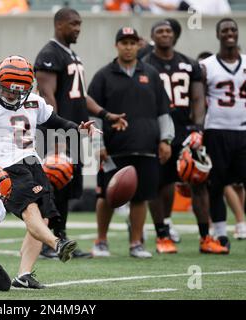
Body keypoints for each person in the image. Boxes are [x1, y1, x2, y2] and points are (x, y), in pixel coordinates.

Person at [0, 55, 119, 288]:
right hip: (7, 169)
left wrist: (78, 128)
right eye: (9, 90)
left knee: (44, 216)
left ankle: (23, 274)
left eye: (19, 91)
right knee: (30, 211)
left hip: (33, 165)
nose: (13, 95)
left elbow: (55, 121)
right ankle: (56, 244)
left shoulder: (34, 102)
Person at [34, 7, 127, 259]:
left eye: (80, 24)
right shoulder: (49, 54)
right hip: (58, 134)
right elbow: (47, 96)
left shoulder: (72, 55)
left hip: (75, 132)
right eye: (73, 24)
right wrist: (57, 137)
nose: (78, 28)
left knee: (66, 190)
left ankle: (59, 238)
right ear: (59, 25)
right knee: (51, 188)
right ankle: (45, 242)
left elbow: (80, 96)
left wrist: (106, 114)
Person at [142, 20, 228, 254]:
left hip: (184, 130)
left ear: (175, 36)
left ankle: (205, 237)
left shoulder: (189, 64)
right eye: (159, 31)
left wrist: (198, 128)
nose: (165, 34)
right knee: (159, 183)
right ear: (153, 36)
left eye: (168, 31)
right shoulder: (145, 64)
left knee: (199, 182)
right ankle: (162, 235)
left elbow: (199, 99)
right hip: (157, 131)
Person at [89, 27, 174, 258]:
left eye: (132, 42)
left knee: (141, 196)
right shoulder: (103, 76)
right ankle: (101, 241)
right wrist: (98, 145)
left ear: (139, 45)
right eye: (123, 42)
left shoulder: (152, 74)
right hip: (113, 150)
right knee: (105, 196)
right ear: (116, 45)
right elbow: (93, 115)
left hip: (146, 148)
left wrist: (166, 139)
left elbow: (163, 111)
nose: (128, 47)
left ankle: (136, 243)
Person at [200, 18, 246, 252]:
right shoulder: (207, 66)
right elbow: (199, 101)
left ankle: (239, 224)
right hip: (216, 130)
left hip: (243, 130)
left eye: (233, 29)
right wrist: (197, 130)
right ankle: (220, 234)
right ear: (218, 35)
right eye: (225, 30)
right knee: (216, 185)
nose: (229, 33)